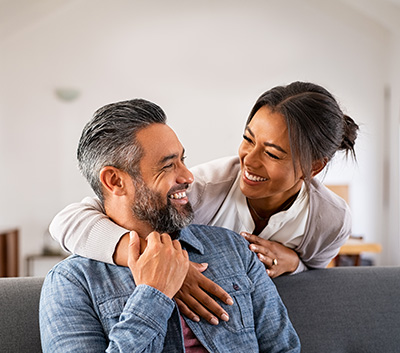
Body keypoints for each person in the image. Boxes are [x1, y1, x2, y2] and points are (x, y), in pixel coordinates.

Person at [39, 98, 312, 353]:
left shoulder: (233, 248)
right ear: (115, 180)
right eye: (169, 166)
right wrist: (152, 296)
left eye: (183, 159)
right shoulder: (72, 282)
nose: (188, 176)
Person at [49, 81, 358, 323]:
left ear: (314, 167)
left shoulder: (330, 220)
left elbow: (315, 279)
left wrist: (295, 263)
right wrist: (160, 264)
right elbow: (67, 222)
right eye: (248, 139)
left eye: (273, 153)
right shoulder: (204, 188)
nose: (248, 160)